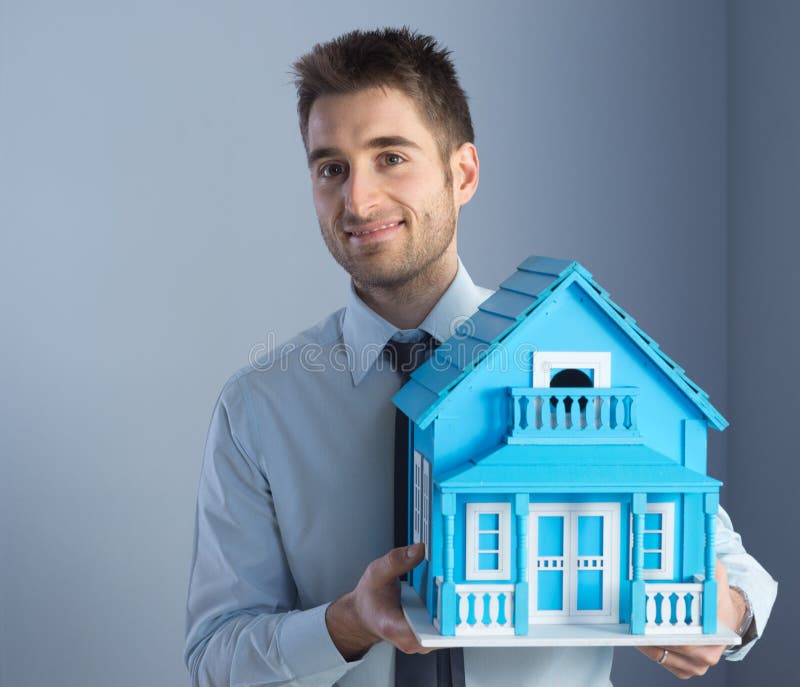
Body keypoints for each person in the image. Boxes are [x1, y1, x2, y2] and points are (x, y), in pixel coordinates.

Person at [184, 27, 777, 687]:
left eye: (391, 157)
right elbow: (214, 658)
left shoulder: (572, 359)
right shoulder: (257, 409)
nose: (358, 200)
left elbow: (733, 563)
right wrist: (347, 622)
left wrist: (726, 613)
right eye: (332, 168)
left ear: (461, 173)